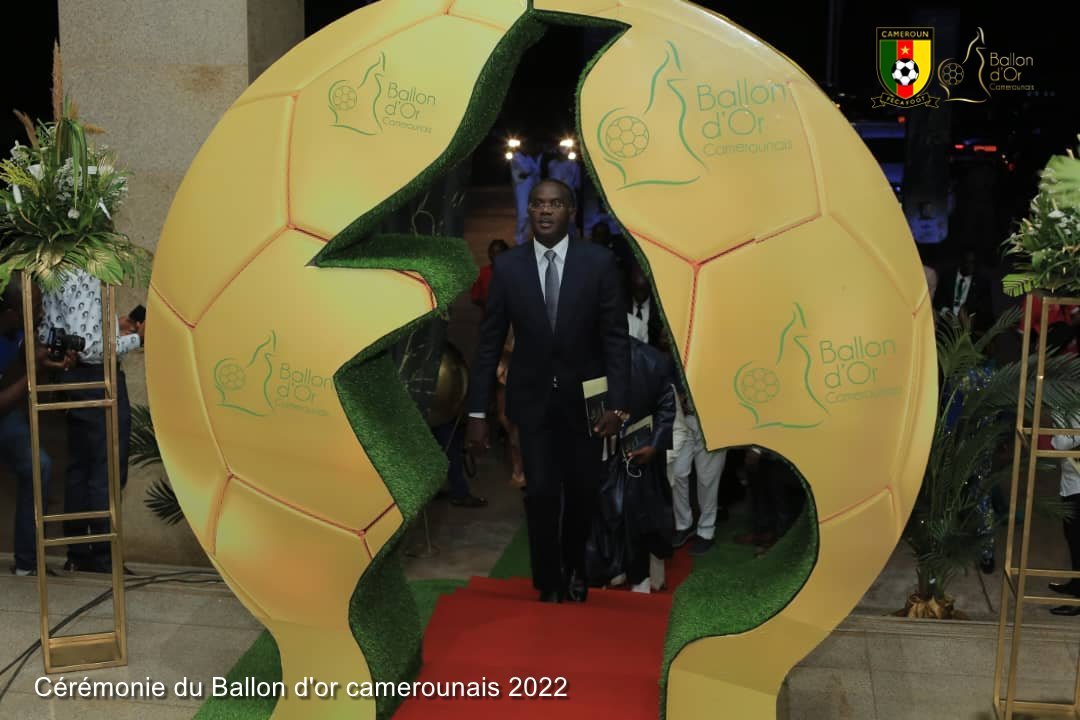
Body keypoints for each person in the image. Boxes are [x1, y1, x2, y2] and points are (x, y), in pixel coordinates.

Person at [466, 178, 631, 604]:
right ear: (530, 211)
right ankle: (548, 579)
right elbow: (489, 343)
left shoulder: (598, 263)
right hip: (532, 400)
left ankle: (575, 567)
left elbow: (616, 339)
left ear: (570, 212)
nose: (544, 210)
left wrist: (618, 405)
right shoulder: (509, 267)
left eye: (555, 203)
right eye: (538, 203)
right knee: (540, 492)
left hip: (587, 403)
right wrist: (478, 413)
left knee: (582, 492)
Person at [37, 268, 144, 573]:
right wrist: (137, 338)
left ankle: (79, 552)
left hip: (73, 376)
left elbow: (56, 333)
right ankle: (102, 556)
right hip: (98, 378)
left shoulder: (55, 266)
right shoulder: (85, 272)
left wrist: (114, 327)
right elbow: (93, 347)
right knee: (105, 469)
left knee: (81, 467)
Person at [0, 276, 74, 576]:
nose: (42, 312)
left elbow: (23, 353)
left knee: (38, 466)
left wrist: (45, 357)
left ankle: (27, 563)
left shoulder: (18, 329)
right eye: (35, 307)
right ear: (11, 313)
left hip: (7, 418)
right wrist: (35, 371)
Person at [669, 387, 728, 556]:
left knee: (707, 480)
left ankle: (706, 530)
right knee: (677, 473)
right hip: (683, 419)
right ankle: (684, 524)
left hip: (714, 420)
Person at [1049, 419, 1080, 616]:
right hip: (1070, 485)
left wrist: (1058, 431)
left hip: (1078, 487)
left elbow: (1060, 443)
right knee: (1072, 539)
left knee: (1078, 542)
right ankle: (1076, 584)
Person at [933, 248, 994, 334]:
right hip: (946, 326)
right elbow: (937, 300)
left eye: (973, 263)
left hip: (968, 328)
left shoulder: (982, 282)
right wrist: (946, 311)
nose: (970, 266)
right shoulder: (947, 276)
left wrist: (968, 313)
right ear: (961, 261)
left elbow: (986, 308)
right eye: (967, 262)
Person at [510, 150, 542, 246]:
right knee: (523, 215)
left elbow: (536, 172)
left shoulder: (529, 158)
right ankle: (518, 237)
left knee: (530, 215)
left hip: (532, 190)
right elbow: (526, 170)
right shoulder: (516, 157)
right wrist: (531, 171)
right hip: (521, 189)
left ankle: (524, 238)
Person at [470, 238, 509, 313]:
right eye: (492, 252)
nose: (494, 255)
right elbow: (475, 298)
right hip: (489, 317)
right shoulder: (482, 272)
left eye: (498, 252)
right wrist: (490, 303)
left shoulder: (513, 272)